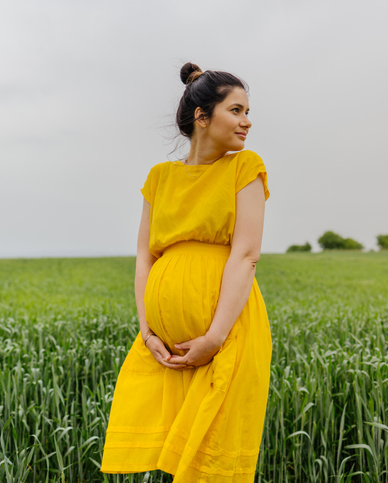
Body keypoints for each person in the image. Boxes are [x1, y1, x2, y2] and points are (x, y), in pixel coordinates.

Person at [100, 62, 272, 482]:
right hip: (162, 349)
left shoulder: (244, 168)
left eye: (248, 112)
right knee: (162, 459)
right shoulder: (159, 178)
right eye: (236, 110)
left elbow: (246, 255)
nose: (247, 122)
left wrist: (213, 337)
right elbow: (145, 257)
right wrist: (147, 331)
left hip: (225, 336)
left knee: (210, 464)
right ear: (202, 116)